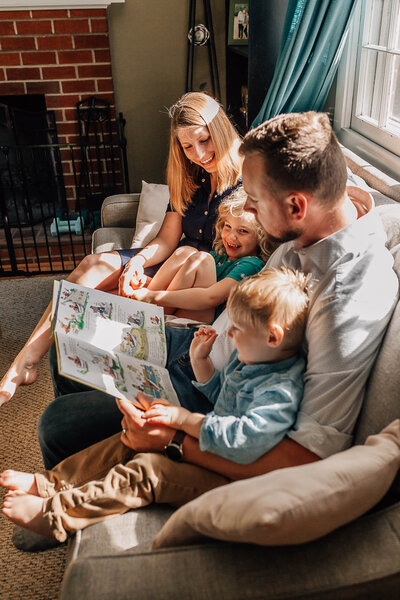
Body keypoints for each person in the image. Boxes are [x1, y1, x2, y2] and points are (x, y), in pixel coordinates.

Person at [37, 111, 398, 481]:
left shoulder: (350, 295)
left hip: (213, 396)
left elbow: (307, 455)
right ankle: (82, 471)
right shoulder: (328, 211)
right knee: (68, 338)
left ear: (296, 206)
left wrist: (175, 441)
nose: (249, 210)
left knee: (57, 424)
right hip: (199, 348)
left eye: (254, 199)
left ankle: (76, 486)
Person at [0, 267, 311, 541]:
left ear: (273, 337)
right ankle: (49, 484)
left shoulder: (279, 391)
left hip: (235, 478)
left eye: (238, 329)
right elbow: (220, 398)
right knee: (126, 439)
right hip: (212, 448)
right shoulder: (250, 360)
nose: (229, 333)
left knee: (146, 471)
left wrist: (182, 420)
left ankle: (56, 516)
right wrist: (200, 362)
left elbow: (243, 440)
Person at [0, 92, 242, 406]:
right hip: (172, 256)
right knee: (91, 266)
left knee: (92, 303)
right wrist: (138, 262)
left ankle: (50, 373)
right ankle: (26, 359)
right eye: (187, 146)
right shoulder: (192, 177)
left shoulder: (248, 178)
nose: (199, 153)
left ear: (220, 129)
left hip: (199, 268)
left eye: (205, 140)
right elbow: (167, 239)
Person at [134, 188, 270, 323]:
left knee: (202, 259)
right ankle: (145, 309)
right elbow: (183, 285)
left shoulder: (252, 264)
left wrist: (152, 296)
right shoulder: (220, 257)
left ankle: (148, 307)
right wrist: (148, 283)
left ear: (261, 237)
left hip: (202, 321)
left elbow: (211, 297)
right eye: (228, 226)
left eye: (242, 231)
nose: (231, 236)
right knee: (186, 251)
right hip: (181, 310)